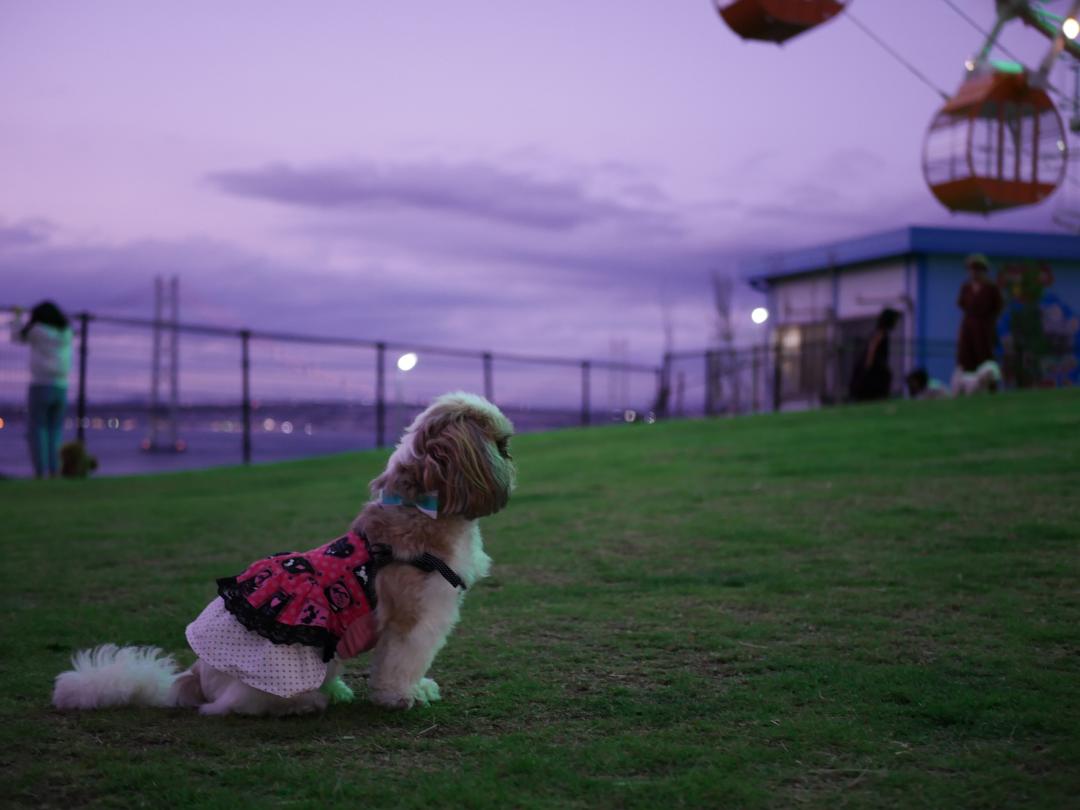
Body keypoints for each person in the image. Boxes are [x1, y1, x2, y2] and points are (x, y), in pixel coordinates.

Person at [10, 301, 73, 478]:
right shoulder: (66, 332)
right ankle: (55, 470)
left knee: (38, 429)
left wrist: (17, 317)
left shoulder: (37, 330)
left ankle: (40, 472)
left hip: (41, 384)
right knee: (56, 431)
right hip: (61, 386)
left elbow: (17, 337)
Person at [956, 253, 1003, 373]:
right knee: (966, 356)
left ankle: (988, 384)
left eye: (977, 269)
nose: (974, 273)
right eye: (972, 269)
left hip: (984, 328)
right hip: (968, 327)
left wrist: (990, 323)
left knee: (985, 357)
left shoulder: (991, 288)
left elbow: (998, 307)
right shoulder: (966, 287)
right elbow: (961, 303)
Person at [849, 308, 900, 402]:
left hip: (876, 366)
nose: (896, 323)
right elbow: (872, 347)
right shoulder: (880, 332)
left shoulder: (882, 332)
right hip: (875, 367)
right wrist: (868, 363)